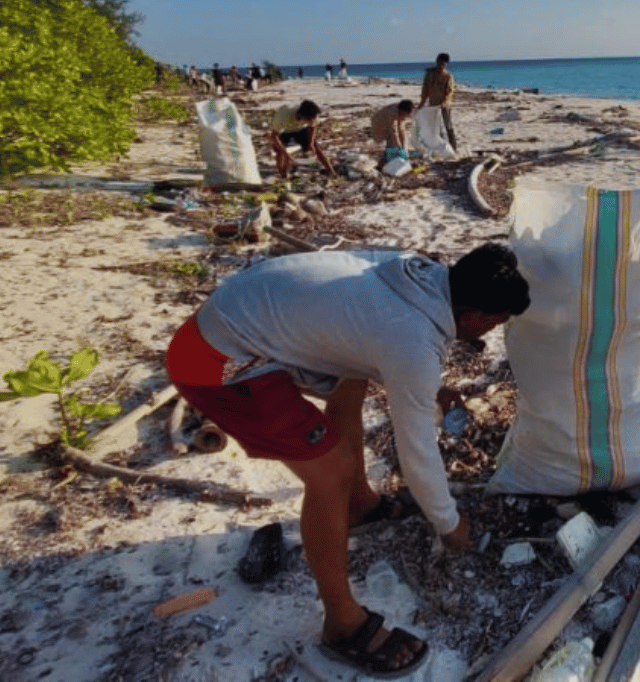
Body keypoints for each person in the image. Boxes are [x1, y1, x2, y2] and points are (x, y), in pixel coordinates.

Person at [163, 243, 531, 677]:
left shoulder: (418, 272)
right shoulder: (413, 342)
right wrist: (449, 524)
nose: (491, 331)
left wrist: (428, 387)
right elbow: (417, 452)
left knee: (350, 380)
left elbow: (374, 331)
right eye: (494, 321)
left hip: (238, 318)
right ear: (469, 313)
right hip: (214, 363)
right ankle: (342, 623)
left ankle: (359, 506)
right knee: (330, 470)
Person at [270, 99, 337, 178]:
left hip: (302, 128)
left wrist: (311, 143)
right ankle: (283, 175)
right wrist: (287, 155)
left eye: (312, 119)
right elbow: (274, 137)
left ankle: (330, 171)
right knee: (279, 152)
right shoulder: (284, 117)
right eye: (308, 119)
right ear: (301, 114)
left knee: (316, 147)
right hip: (284, 130)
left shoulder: (312, 116)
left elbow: (312, 127)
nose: (311, 121)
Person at [419, 52, 458, 151]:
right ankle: (442, 148)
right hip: (433, 104)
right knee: (437, 128)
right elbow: (425, 90)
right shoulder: (429, 75)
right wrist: (421, 104)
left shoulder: (448, 76)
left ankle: (454, 148)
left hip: (445, 106)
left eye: (444, 64)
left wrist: (444, 103)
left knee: (448, 126)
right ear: (437, 62)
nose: (441, 66)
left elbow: (450, 92)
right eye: (440, 63)